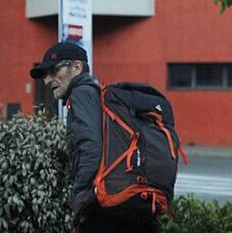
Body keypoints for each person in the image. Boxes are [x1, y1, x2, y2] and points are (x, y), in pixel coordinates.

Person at [30, 42, 159, 233]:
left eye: (53, 70)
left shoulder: (81, 93)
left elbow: (90, 147)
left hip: (107, 210)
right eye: (45, 74)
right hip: (127, 205)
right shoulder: (94, 94)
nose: (47, 80)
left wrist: (79, 195)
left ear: (77, 67)